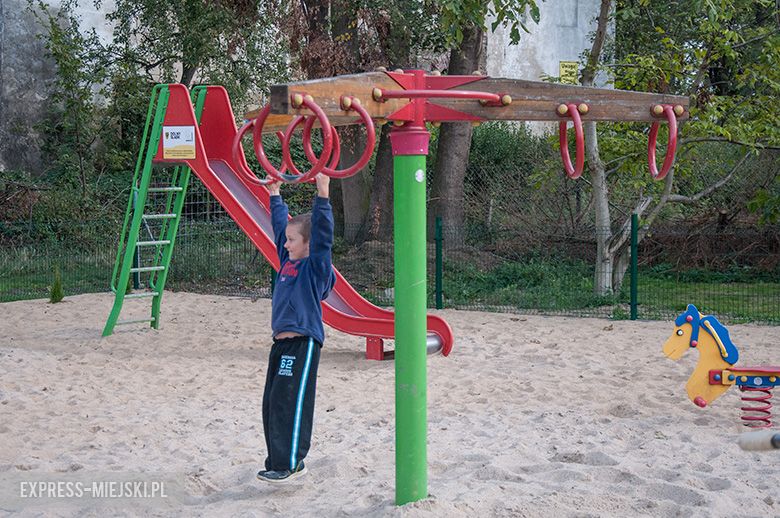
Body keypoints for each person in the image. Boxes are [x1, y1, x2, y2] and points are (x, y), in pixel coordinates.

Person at [257, 173, 336, 483]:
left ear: (308, 245)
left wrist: (323, 193)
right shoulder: (287, 261)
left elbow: (324, 237)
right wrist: (275, 195)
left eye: (293, 240)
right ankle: (280, 461)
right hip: (280, 344)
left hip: (303, 343)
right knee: (272, 402)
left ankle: (289, 464)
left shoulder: (315, 268)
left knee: (290, 400)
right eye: (287, 240)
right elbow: (280, 229)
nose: (286, 244)